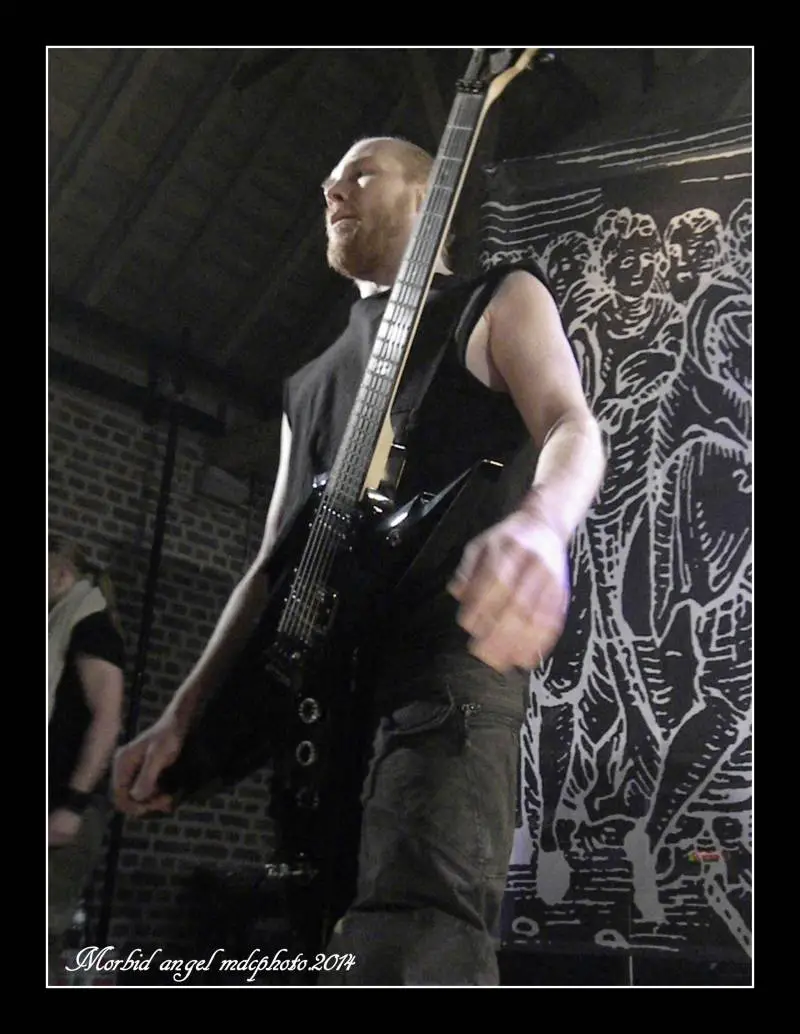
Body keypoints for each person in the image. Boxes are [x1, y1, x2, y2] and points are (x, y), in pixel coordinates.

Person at [112, 136, 606, 986]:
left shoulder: (495, 298)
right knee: (322, 943)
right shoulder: (308, 386)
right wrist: (183, 715)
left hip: (442, 673)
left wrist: (540, 522)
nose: (330, 188)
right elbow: (269, 567)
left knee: (414, 945)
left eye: (360, 173)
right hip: (320, 705)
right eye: (330, 178)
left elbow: (572, 424)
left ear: (427, 193)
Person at [48, 537, 125, 983]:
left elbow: (107, 719)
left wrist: (73, 805)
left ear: (61, 575)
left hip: (64, 805)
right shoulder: (60, 626)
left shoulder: (91, 627)